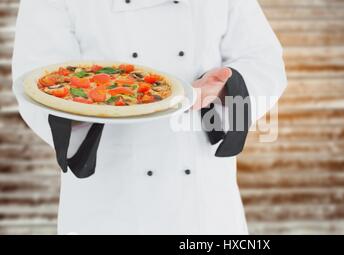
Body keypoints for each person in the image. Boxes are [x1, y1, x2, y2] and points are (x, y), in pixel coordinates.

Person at [12, 0, 287, 235]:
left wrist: (224, 88)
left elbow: (263, 62)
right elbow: (38, 79)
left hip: (202, 205)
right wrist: (88, 103)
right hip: (107, 203)